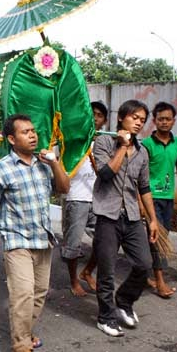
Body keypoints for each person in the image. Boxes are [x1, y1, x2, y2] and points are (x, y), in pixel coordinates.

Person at [0, 114, 70, 352]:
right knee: (23, 294)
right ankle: (22, 347)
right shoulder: (1, 168)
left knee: (40, 292)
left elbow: (64, 188)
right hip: (17, 240)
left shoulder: (43, 165)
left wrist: (54, 164)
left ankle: (26, 331)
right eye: (25, 132)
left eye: (33, 131)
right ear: (11, 138)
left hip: (43, 239)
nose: (32, 135)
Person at [92, 99, 159, 337]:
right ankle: (105, 317)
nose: (138, 122)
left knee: (144, 264)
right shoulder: (102, 142)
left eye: (142, 119)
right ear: (121, 118)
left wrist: (152, 219)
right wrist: (121, 146)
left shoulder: (142, 152)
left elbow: (144, 187)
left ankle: (124, 300)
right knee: (107, 271)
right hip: (107, 215)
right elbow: (105, 173)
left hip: (131, 216)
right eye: (134, 117)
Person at [141, 102, 177, 299]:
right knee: (158, 238)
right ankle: (160, 281)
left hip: (168, 198)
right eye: (160, 119)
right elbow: (140, 174)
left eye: (168, 119)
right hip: (150, 198)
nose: (164, 122)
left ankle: (147, 274)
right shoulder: (146, 144)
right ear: (154, 121)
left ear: (174, 121)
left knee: (157, 237)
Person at [61, 101, 107, 296]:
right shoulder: (72, 138)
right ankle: (73, 280)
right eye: (92, 113)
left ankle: (87, 271)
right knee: (73, 244)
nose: (95, 118)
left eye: (99, 115)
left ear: (104, 120)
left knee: (105, 241)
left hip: (99, 200)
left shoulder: (106, 141)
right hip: (76, 197)